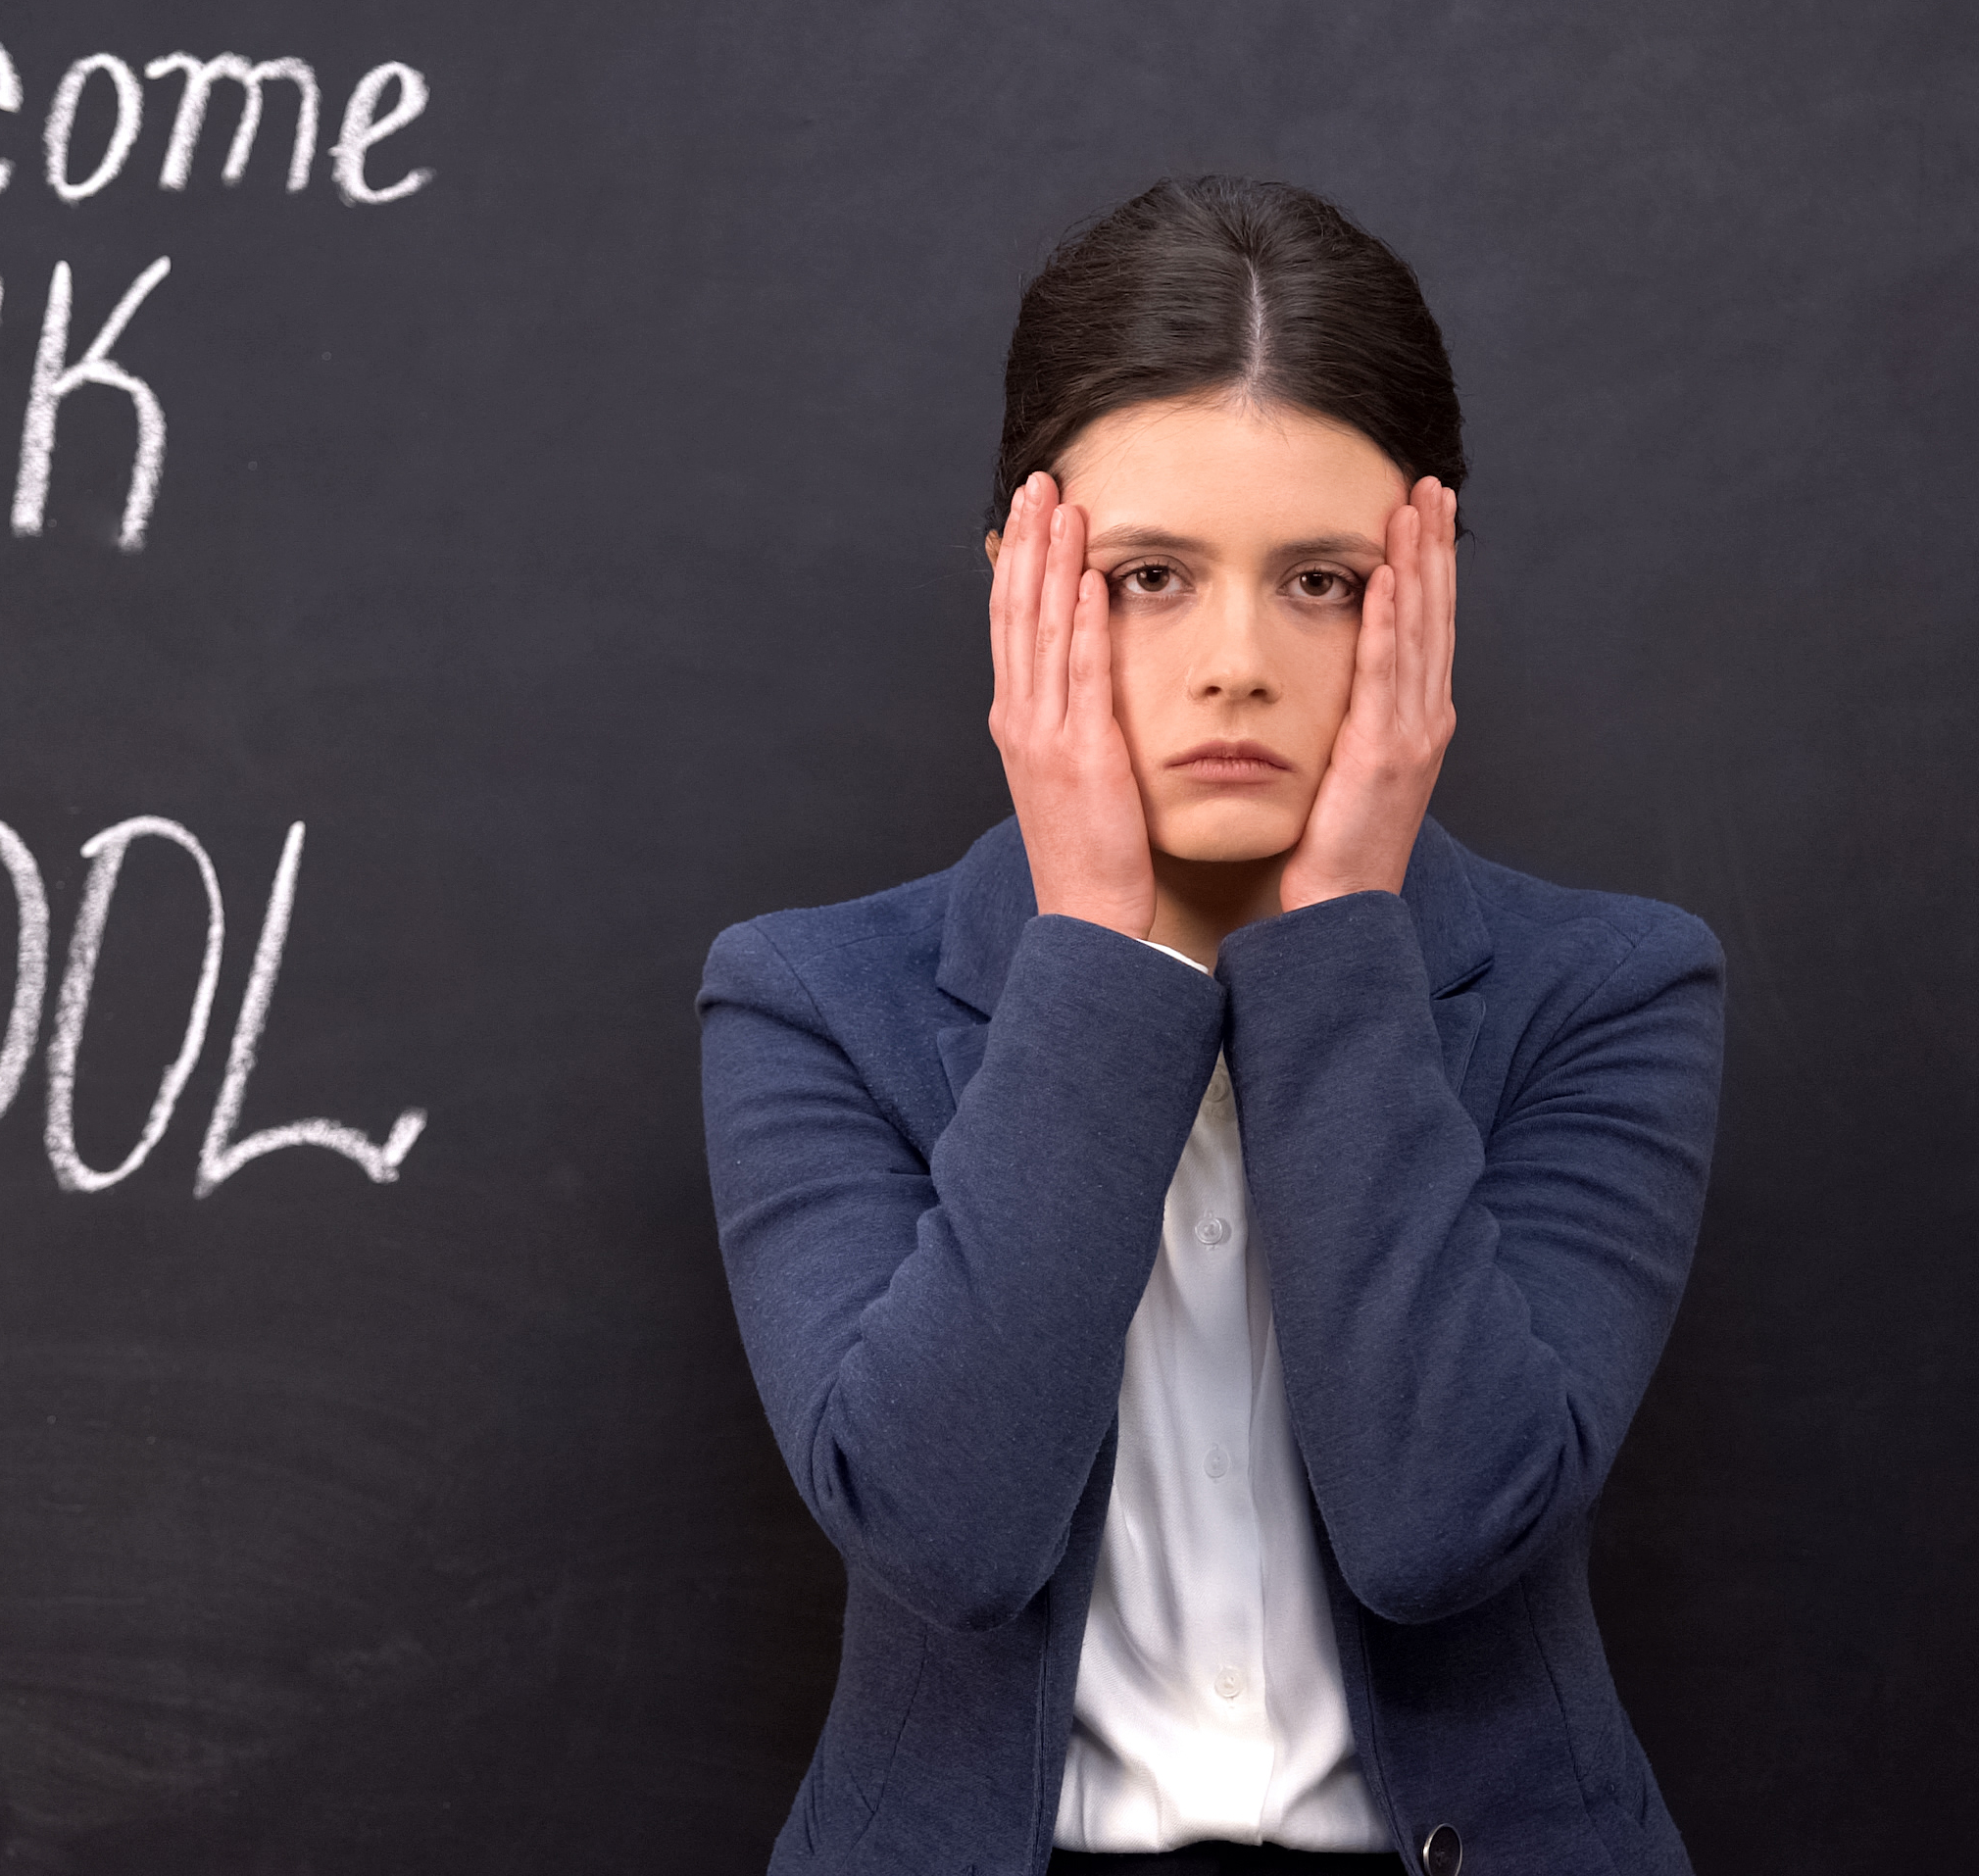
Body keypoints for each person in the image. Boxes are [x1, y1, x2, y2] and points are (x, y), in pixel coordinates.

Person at [695, 176, 1725, 1876]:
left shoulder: (1608, 992)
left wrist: (1335, 947)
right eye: (1149, 576)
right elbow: (945, 1534)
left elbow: (1441, 1527)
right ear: (1018, 591)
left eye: (1321, 580)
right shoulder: (812, 1003)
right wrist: (1101, 942)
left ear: (1427, 592)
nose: (1235, 660)